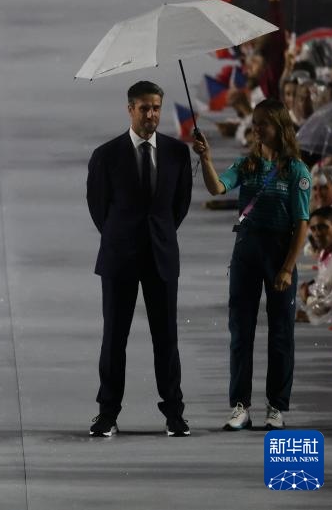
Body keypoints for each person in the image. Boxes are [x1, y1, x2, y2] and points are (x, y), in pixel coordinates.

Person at [194, 98, 311, 431]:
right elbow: (217, 188)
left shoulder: (297, 171)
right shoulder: (246, 165)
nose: (256, 128)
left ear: (280, 127)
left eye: (263, 123)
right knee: (240, 330)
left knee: (281, 333)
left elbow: (302, 223)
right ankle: (240, 406)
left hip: (279, 252)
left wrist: (287, 268)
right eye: (255, 122)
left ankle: (277, 406)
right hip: (246, 251)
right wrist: (206, 159)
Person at [86, 81, 192, 438]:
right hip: (120, 258)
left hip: (161, 256)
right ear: (130, 109)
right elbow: (99, 208)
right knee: (114, 339)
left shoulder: (177, 153)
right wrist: (122, 235)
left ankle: (174, 413)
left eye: (156, 108)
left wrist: (158, 234)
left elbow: (179, 206)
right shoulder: (106, 155)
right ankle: (107, 413)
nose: (151, 115)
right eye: (144, 108)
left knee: (167, 339)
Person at [298, 206, 332, 327]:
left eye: (323, 227)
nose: (317, 233)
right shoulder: (326, 252)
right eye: (313, 228)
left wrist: (308, 302)